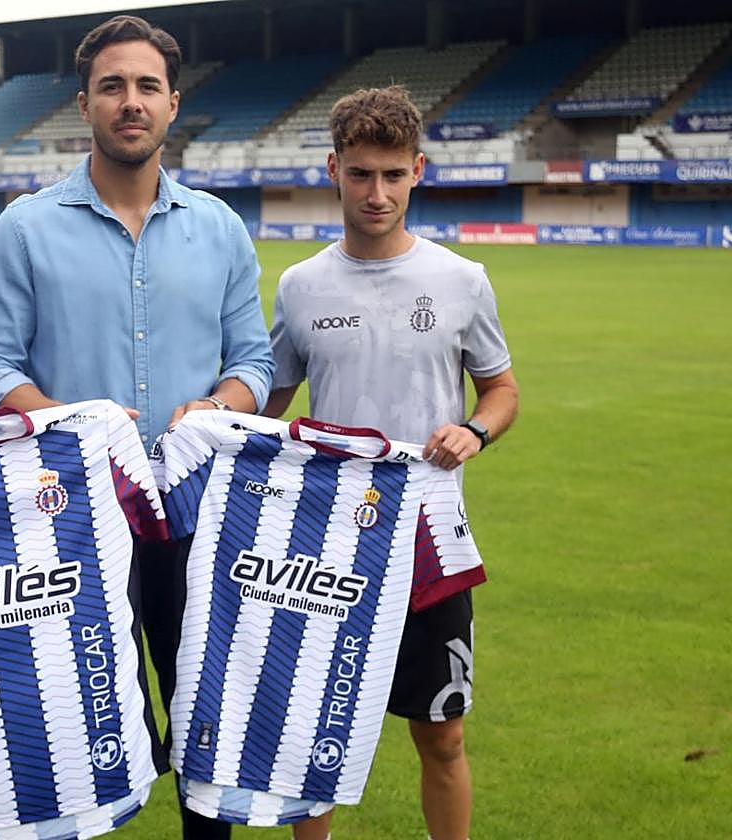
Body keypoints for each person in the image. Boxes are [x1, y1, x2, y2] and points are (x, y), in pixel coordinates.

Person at [0, 15, 273, 840]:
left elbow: (255, 363)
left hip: (198, 522)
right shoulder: (26, 227)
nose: (129, 103)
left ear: (173, 103)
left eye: (145, 87)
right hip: (67, 526)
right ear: (84, 104)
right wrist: (66, 423)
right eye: (111, 86)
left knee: (205, 719)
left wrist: (220, 406)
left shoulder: (221, 229)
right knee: (60, 728)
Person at [265, 85, 520, 840]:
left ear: (418, 171)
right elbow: (267, 406)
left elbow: (502, 389)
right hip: (324, 550)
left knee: (442, 735)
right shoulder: (301, 286)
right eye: (361, 174)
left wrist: (474, 429)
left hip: (428, 545)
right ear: (332, 169)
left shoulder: (461, 280)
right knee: (314, 738)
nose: (377, 193)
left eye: (393, 175)